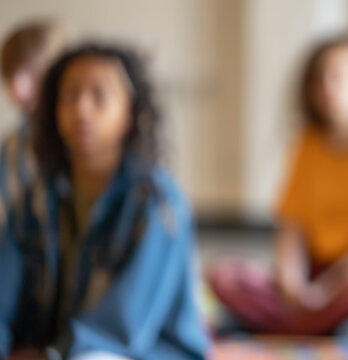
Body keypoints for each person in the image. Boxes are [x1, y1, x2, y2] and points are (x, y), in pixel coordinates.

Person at [0, 44, 210, 359]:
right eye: (70, 95)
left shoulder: (158, 203)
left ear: (129, 114)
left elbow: (122, 327)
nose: (82, 109)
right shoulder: (37, 198)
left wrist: (50, 355)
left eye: (99, 96)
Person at [208, 34, 348, 335]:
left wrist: (326, 290)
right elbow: (291, 227)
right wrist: (292, 283)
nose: (330, 87)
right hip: (313, 273)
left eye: (343, 76)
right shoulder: (306, 142)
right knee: (223, 275)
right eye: (321, 78)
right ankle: (319, 323)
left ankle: (281, 322)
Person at [0, 19, 68, 231]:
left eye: (30, 72)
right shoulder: (11, 148)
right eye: (9, 75)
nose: (18, 89)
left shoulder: (86, 139)